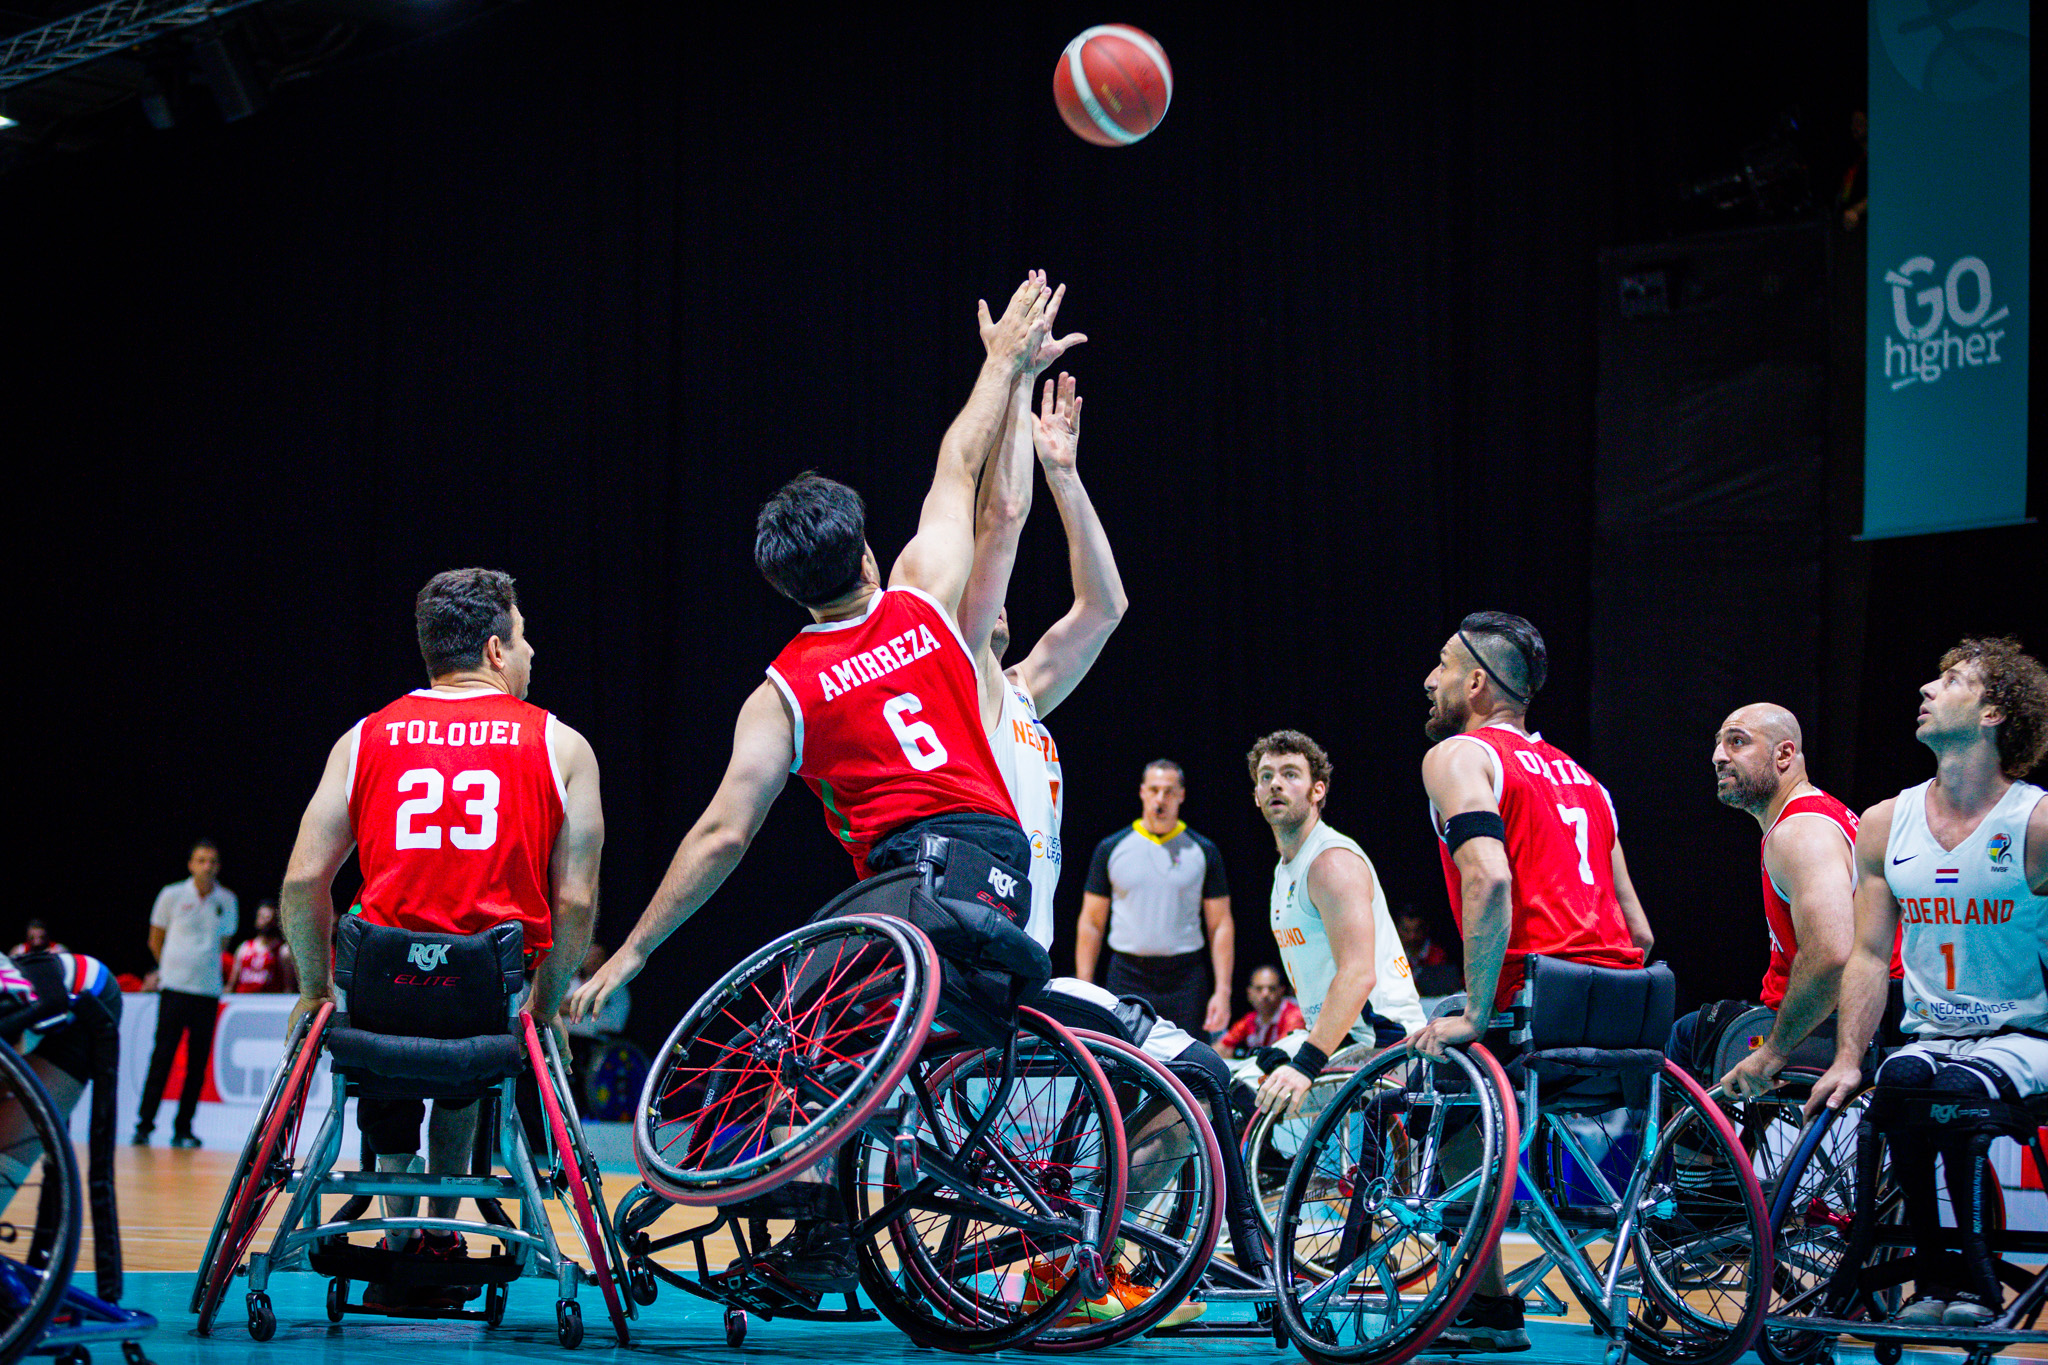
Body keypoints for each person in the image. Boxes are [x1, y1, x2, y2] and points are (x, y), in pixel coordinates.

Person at [564, 273, 1081, 1289]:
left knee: (781, 1034)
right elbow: (959, 463)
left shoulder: (783, 691)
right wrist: (1001, 367)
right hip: (998, 875)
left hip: (915, 885)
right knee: (832, 1022)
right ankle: (843, 1204)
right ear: (868, 553)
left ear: (781, 587)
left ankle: (821, 1234)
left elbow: (719, 837)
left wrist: (629, 955)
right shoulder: (926, 603)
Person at [279, 568, 604, 1303]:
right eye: (522, 638)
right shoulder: (561, 744)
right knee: (474, 1028)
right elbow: (576, 899)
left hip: (382, 990)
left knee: (382, 1010)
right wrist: (547, 1006)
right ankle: (443, 1220)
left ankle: (399, 1229)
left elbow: (303, 883)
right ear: (494, 649)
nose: (531, 652)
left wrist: (308, 987)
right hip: (483, 1000)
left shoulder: (363, 738)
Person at [1407, 612, 1655, 1352]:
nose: (1431, 679)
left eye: (1444, 665)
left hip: (1536, 1004)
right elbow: (1640, 933)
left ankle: (1486, 1305)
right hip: (1626, 1010)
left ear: (1478, 683)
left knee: (1438, 1094)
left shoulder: (1461, 755)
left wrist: (1476, 1012)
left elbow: (1486, 880)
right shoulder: (1589, 782)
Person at [1806, 637, 2048, 1328]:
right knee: (1902, 1085)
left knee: (1954, 1092)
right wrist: (1849, 1057)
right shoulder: (1886, 823)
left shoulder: (2035, 823)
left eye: (1951, 680)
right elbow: (1867, 953)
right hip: (1932, 1035)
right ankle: (1932, 1272)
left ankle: (1975, 1280)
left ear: (1996, 709)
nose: (1927, 689)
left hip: (2023, 1034)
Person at [1699, 704, 1901, 1097]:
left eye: (1737, 742)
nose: (1719, 756)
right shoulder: (1822, 811)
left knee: (1691, 1036)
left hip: (1848, 1021)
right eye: (1719, 744)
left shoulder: (1799, 832)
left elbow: (1832, 956)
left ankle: (1702, 1162)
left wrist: (1773, 1052)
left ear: (1785, 755)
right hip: (1872, 1010)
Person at [1247, 730, 1426, 1121]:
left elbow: (1358, 974)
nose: (1276, 783)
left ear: (1317, 791)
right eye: (1266, 776)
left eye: (1291, 773)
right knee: (1226, 1090)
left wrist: (1305, 1064)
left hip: (1384, 1042)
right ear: (1257, 796)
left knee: (1244, 1107)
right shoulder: (1284, 872)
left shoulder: (1331, 862)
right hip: (1340, 1039)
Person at [1077, 761, 1233, 1034]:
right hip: (1127, 976)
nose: (1161, 799)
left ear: (1182, 795)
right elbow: (1091, 922)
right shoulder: (1111, 848)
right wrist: (1084, 988)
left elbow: (1220, 924)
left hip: (1185, 980)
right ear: (1142, 792)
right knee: (1121, 1065)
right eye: (1154, 790)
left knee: (1187, 1069)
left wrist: (1223, 991)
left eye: (1170, 791)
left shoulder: (1203, 851)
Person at [132, 839, 236, 1148]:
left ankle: (184, 1128)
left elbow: (223, 942)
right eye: (202, 860)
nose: (208, 866)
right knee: (162, 1057)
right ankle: (144, 1125)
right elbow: (155, 939)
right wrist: (172, 968)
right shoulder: (172, 895)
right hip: (174, 988)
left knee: (197, 1063)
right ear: (191, 864)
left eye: (213, 861)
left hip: (207, 991)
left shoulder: (227, 900)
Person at [1218, 964, 1305, 1058]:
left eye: (1271, 989)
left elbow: (1283, 1053)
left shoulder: (1294, 1016)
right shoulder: (1251, 1019)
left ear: (1282, 991)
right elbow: (1221, 1047)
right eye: (1259, 989)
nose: (1265, 994)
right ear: (1249, 992)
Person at [228, 899, 298, 994]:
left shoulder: (283, 951)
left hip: (268, 1004)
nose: (266, 921)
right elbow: (231, 984)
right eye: (262, 917)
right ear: (256, 919)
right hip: (243, 1003)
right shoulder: (244, 947)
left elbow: (288, 987)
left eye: (270, 917)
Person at [1394, 905, 1462, 997]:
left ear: (1426, 928)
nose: (1412, 936)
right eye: (1406, 931)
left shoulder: (1441, 957)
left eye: (1416, 930)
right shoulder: (1394, 956)